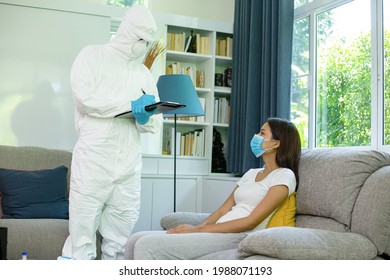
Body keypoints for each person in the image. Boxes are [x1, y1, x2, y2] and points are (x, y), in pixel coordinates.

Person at [61, 6, 163, 260]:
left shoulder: (144, 74)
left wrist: (144, 116)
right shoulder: (92, 56)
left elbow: (155, 124)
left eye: (147, 42)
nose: (143, 46)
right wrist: (128, 105)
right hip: (94, 160)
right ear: (126, 31)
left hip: (128, 166)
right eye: (140, 38)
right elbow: (85, 99)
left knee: (119, 243)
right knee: (81, 238)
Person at [125, 117, 301, 260]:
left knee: (146, 245)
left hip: (241, 236)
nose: (255, 136)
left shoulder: (284, 176)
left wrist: (197, 230)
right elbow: (223, 209)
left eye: (262, 133)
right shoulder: (251, 173)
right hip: (218, 229)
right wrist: (196, 229)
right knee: (134, 239)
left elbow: (251, 221)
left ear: (276, 143)